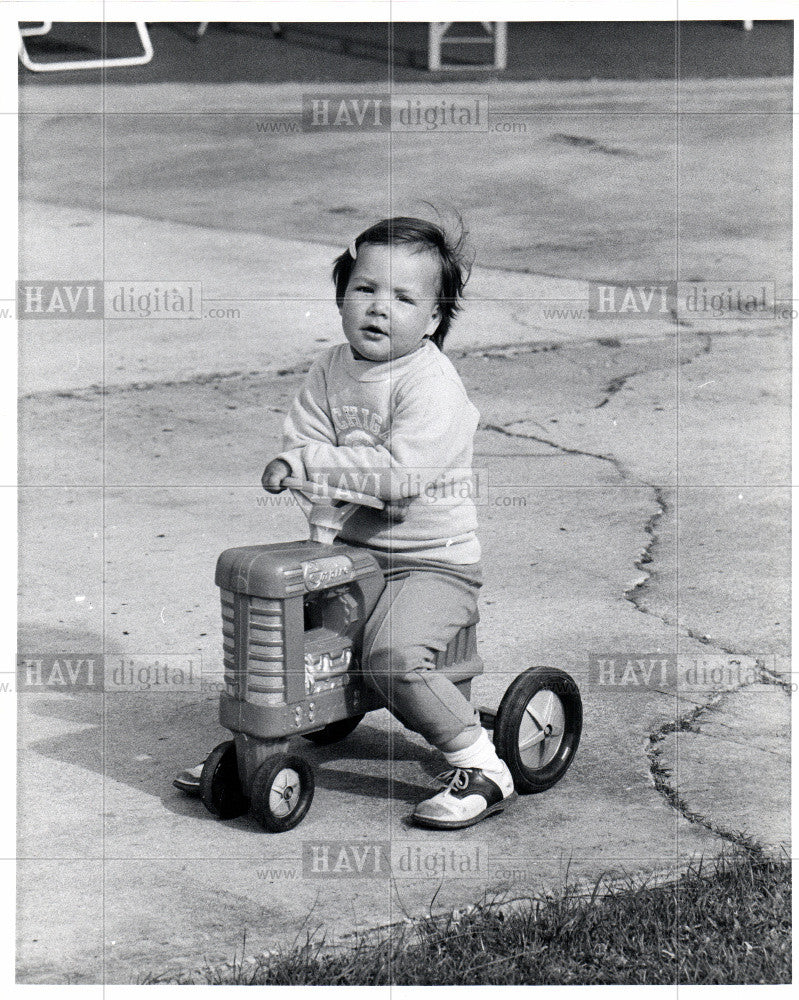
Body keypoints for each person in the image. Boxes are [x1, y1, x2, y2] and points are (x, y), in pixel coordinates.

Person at [175, 216, 515, 828]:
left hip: (431, 562)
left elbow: (401, 474)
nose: (380, 308)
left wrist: (311, 463)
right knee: (287, 636)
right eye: (365, 289)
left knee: (389, 655)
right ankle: (263, 747)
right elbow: (304, 439)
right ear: (340, 297)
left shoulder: (432, 382)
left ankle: (482, 763)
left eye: (404, 297)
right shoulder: (329, 371)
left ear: (434, 319)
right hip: (350, 552)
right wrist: (292, 461)